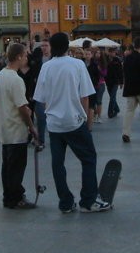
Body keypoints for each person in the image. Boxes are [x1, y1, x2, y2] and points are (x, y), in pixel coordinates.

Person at [33, 32, 110, 213]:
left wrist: (51, 111)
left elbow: (41, 98)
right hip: (74, 120)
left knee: (57, 163)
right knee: (88, 158)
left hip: (54, 124)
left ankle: (65, 202)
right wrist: (85, 118)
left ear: (51, 47)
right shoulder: (77, 64)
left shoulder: (46, 67)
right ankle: (88, 199)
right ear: (67, 46)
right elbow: (85, 96)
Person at [0, 43, 39, 209]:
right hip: (15, 128)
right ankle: (16, 197)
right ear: (19, 56)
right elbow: (22, 107)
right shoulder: (16, 79)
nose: (27, 58)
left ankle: (8, 197)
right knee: (16, 167)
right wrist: (31, 127)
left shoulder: (2, 74)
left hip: (4, 127)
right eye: (25, 55)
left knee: (7, 166)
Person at [121, 37, 140, 143]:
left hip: (129, 88)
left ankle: (126, 133)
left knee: (129, 111)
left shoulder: (127, 58)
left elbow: (124, 72)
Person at [105, 47, 123, 118]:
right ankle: (117, 109)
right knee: (112, 97)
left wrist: (121, 82)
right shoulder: (106, 59)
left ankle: (110, 113)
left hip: (115, 81)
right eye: (111, 52)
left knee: (112, 97)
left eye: (114, 52)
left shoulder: (117, 60)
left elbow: (120, 72)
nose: (112, 53)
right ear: (109, 52)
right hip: (108, 81)